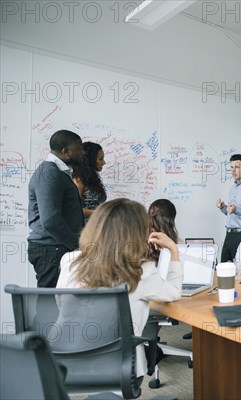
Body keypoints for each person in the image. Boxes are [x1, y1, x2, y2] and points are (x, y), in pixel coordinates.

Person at [56, 198, 183, 378]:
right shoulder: (141, 271)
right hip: (122, 368)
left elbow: (64, 308)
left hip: (70, 360)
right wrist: (173, 249)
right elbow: (173, 292)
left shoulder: (69, 261)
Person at [27, 129, 85, 288]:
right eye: (79, 148)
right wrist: (76, 245)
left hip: (55, 247)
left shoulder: (58, 172)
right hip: (51, 248)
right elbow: (51, 220)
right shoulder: (50, 173)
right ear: (66, 152)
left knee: (57, 302)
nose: (82, 152)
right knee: (49, 304)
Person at [72, 141, 107, 219]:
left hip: (96, 224)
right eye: (100, 159)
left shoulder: (92, 178)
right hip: (84, 228)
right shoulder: (78, 179)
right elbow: (72, 210)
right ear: (90, 160)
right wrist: (99, 213)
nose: (104, 162)